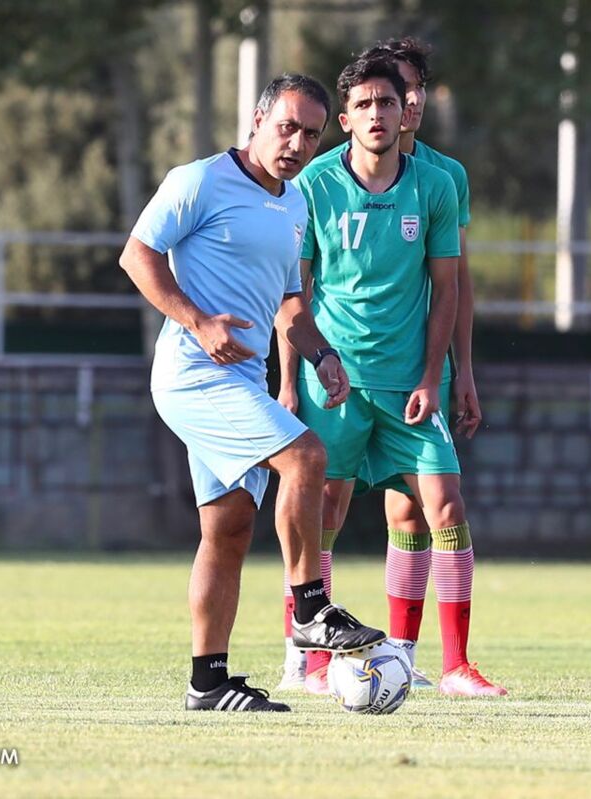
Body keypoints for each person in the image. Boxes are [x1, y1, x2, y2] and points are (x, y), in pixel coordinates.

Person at [119, 73, 385, 713]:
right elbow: (136, 255)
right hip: (192, 372)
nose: (296, 142)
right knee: (307, 458)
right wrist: (198, 321)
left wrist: (322, 356)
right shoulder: (199, 181)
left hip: (241, 376)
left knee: (229, 527)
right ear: (259, 120)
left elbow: (291, 302)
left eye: (311, 133)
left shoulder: (294, 204)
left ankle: (207, 682)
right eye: (286, 126)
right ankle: (311, 610)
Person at [276, 54, 505, 698]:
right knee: (321, 512)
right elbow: (293, 291)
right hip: (335, 382)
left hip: (408, 385)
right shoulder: (314, 185)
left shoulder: (435, 184)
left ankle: (455, 664)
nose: (383, 113)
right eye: (368, 105)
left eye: (392, 101)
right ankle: (307, 653)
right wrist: (291, 381)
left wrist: (441, 375)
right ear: (345, 120)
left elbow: (449, 289)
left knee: (445, 506)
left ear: (409, 108)